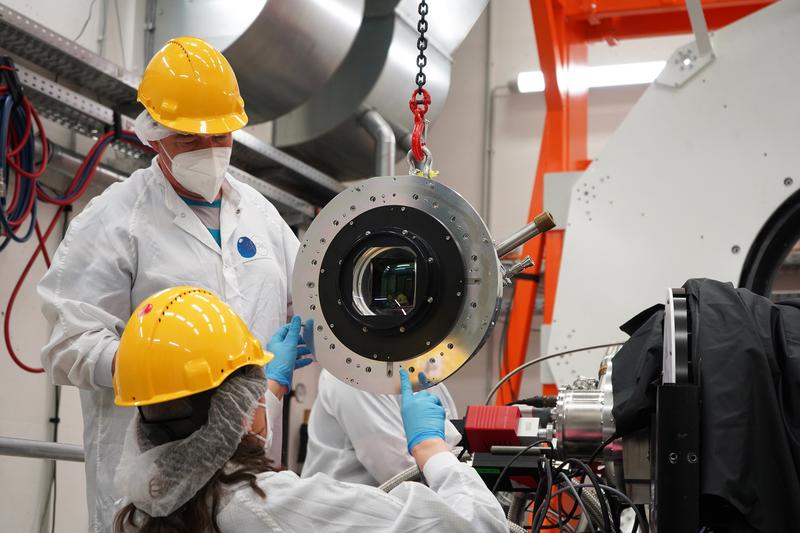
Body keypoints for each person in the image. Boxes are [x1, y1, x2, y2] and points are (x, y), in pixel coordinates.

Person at [37, 37, 304, 532]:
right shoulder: (116, 220)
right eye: (189, 139)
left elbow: (305, 303)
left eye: (220, 137)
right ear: (153, 134)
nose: (208, 150)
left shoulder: (262, 217)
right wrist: (164, 367)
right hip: (153, 494)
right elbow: (68, 344)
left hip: (250, 482)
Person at [112, 288, 507, 532]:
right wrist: (430, 451)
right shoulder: (274, 506)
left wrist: (271, 387)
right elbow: (478, 526)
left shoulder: (143, 508)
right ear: (240, 407)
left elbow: (213, 441)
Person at [302, 369, 461, 486]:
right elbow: (399, 472)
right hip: (340, 516)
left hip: (380, 512)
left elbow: (457, 448)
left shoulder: (425, 373)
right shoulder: (352, 374)